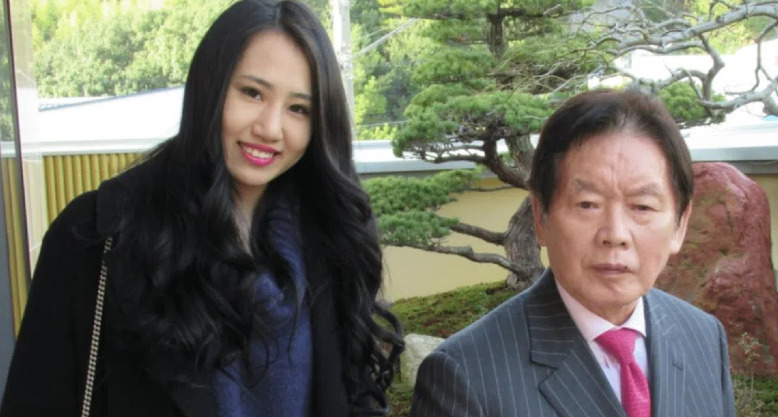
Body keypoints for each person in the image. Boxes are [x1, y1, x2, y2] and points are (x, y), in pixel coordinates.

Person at [0, 1, 403, 416]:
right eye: (252, 93)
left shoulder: (331, 232)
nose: (270, 128)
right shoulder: (100, 233)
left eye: (298, 109)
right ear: (209, 87)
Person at [409, 89, 735, 417]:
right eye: (587, 204)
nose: (615, 234)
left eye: (642, 206)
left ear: (680, 225)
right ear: (541, 216)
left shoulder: (704, 337)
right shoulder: (465, 376)